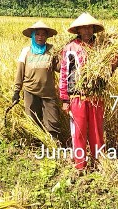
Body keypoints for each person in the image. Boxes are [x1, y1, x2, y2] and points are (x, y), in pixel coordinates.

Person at [59, 12, 105, 171]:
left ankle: (99, 162)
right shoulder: (70, 48)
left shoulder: (102, 48)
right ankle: (80, 165)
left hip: (96, 96)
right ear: (78, 30)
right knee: (78, 132)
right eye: (83, 28)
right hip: (76, 96)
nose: (86, 31)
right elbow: (64, 73)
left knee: (96, 130)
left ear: (93, 29)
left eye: (89, 27)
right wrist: (65, 99)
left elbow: (108, 71)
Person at [13, 21, 61, 139]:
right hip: (30, 91)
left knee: (52, 120)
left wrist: (67, 59)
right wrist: (16, 91)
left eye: (43, 34)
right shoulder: (26, 51)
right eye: (37, 34)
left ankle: (53, 145)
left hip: (48, 92)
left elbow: (59, 68)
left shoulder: (51, 50)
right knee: (32, 120)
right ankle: (36, 145)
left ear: (46, 37)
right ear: (33, 36)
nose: (40, 37)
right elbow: (20, 71)